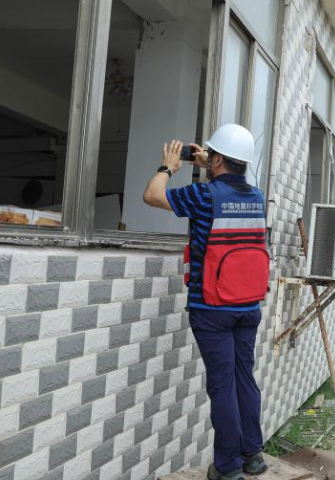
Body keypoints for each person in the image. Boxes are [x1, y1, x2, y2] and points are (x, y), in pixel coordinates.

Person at [143, 124, 269, 480]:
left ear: (217, 160)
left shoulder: (203, 195)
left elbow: (152, 196)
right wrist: (210, 162)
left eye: (211, 155)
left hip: (212, 308)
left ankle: (227, 468)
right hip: (248, 306)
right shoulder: (257, 197)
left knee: (222, 385)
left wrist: (168, 167)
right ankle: (252, 456)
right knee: (245, 378)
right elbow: (232, 184)